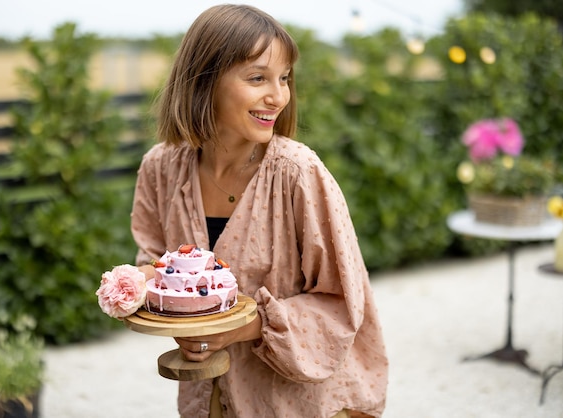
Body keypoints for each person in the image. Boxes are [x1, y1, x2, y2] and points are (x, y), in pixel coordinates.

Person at [131, 4, 388, 418]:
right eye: (257, 78)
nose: (278, 96)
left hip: (299, 404)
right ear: (204, 81)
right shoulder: (160, 168)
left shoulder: (298, 172)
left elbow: (344, 303)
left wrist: (243, 326)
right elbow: (158, 264)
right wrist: (135, 282)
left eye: (284, 78)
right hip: (208, 400)